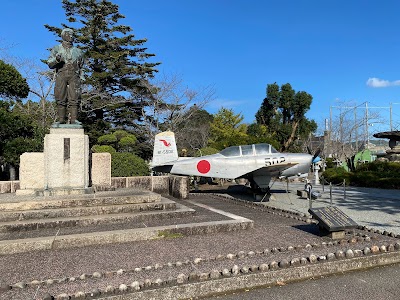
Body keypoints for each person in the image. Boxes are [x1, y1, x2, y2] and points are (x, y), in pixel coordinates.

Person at [47, 28, 84, 125]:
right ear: (63, 36)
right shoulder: (56, 49)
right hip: (61, 74)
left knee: (75, 96)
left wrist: (82, 76)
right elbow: (50, 64)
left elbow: (81, 66)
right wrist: (57, 60)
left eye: (72, 35)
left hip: (74, 75)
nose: (71, 36)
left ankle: (74, 119)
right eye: (68, 34)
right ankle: (61, 119)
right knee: (60, 96)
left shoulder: (78, 51)